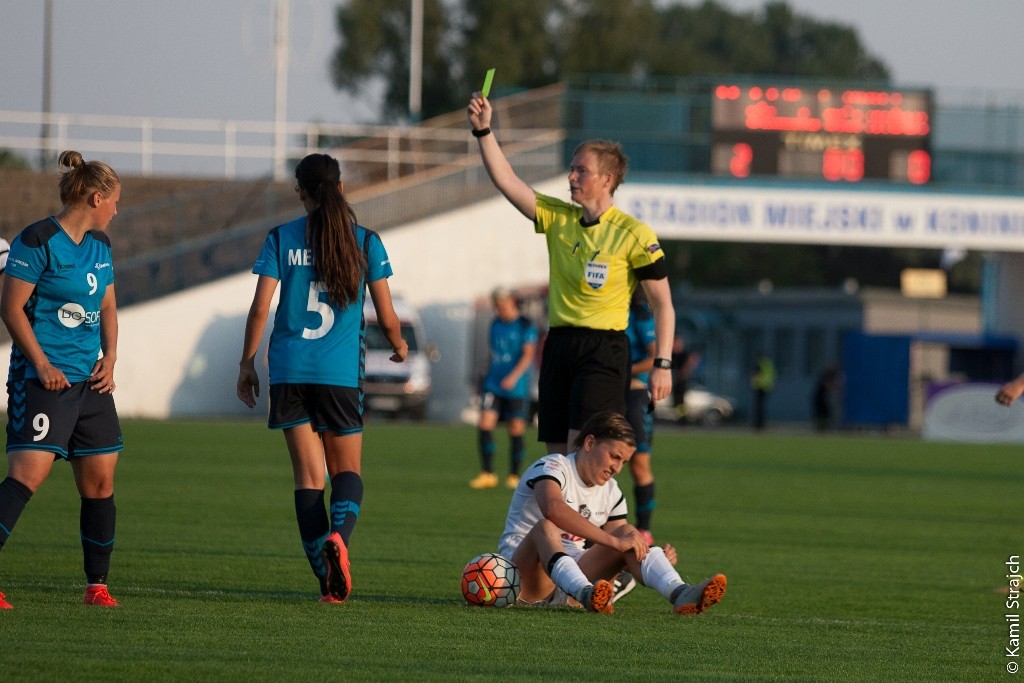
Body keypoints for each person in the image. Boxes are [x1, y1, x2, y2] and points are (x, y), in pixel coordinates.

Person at [236, 153, 408, 604]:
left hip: (289, 372)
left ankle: (327, 587)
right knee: (346, 471)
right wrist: (399, 344)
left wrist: (246, 362)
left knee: (308, 478)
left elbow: (260, 309)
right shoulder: (366, 241)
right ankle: (340, 540)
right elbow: (386, 314)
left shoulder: (280, 237)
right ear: (341, 188)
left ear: (301, 192)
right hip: (338, 376)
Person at [467, 94, 676, 457]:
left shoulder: (634, 234)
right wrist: (484, 130)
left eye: (581, 170)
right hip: (559, 347)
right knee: (557, 459)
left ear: (607, 179)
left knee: (586, 455)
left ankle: (604, 516)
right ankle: (558, 516)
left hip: (603, 352)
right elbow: (507, 182)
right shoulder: (558, 218)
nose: (571, 176)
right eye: (572, 168)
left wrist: (663, 364)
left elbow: (664, 305)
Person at [0, 151, 123, 609]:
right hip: (42, 381)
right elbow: (11, 308)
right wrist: (43, 364)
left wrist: (110, 357)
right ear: (95, 197)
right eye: (113, 202)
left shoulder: (101, 247)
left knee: (100, 483)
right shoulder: (36, 240)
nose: (116, 210)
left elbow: (108, 307)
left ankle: (97, 586)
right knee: (27, 477)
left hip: (89, 384)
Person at [497, 411, 727, 615]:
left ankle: (680, 593)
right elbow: (553, 509)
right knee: (545, 528)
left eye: (624, 462)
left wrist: (652, 558)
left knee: (629, 533)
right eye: (614, 457)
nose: (617, 468)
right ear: (589, 443)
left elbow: (623, 545)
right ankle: (586, 593)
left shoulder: (611, 491)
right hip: (524, 580)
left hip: (572, 578)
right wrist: (612, 540)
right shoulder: (553, 467)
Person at [469, 288, 538, 490]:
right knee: (484, 423)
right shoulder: (495, 324)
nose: (501, 311)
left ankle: (514, 475)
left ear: (512, 303)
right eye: (497, 307)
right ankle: (487, 473)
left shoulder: (525, 324)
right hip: (493, 383)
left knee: (515, 428)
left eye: (503, 306)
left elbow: (528, 354)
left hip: (515, 386)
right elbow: (493, 353)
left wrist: (514, 377)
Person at [623, 290, 657, 543]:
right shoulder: (605, 310)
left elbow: (654, 357)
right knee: (598, 461)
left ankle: (644, 529)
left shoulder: (641, 314)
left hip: (635, 394)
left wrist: (623, 371)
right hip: (607, 392)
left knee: (639, 464)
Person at [750, 353, 776, 430]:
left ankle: (758, 424)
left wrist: (755, 382)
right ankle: (759, 424)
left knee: (758, 407)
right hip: (765, 388)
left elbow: (755, 376)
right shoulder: (768, 365)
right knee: (760, 407)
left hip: (760, 388)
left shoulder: (759, 365)